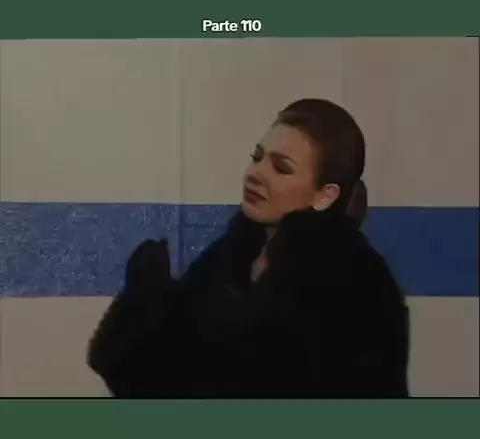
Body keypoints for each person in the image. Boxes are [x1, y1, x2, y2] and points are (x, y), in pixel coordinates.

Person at [88, 99, 409, 398]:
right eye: (257, 158)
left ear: (325, 196)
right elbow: (158, 386)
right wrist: (142, 306)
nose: (256, 174)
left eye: (281, 168)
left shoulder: (361, 285)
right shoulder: (227, 259)